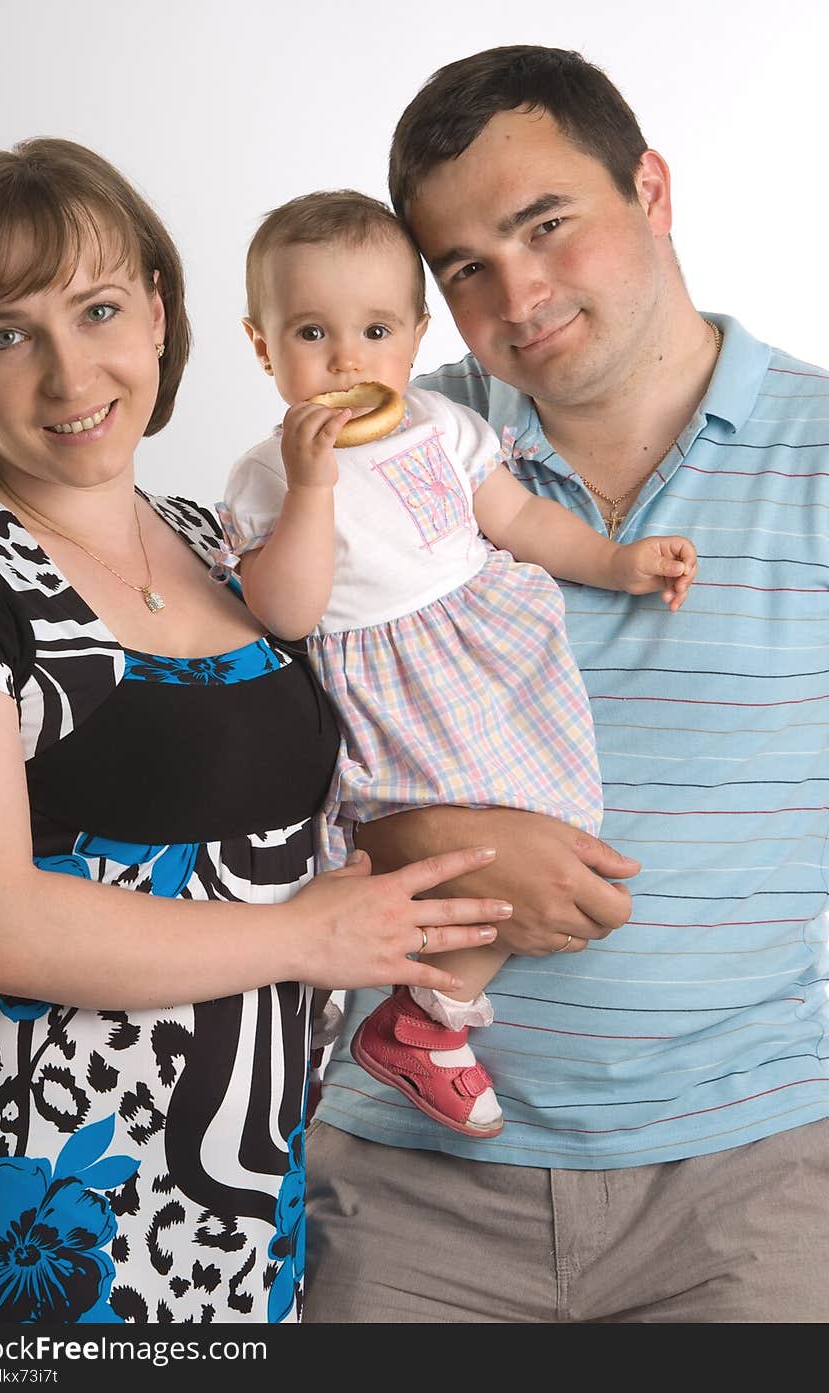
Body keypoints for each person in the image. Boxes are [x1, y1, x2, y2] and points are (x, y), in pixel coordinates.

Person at [303, 45, 829, 1323]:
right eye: (466, 266)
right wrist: (428, 845)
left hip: (753, 1183)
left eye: (546, 225)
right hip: (406, 1185)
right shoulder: (385, 455)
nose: (518, 291)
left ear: (649, 187)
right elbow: (238, 765)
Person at [0, 137, 509, 1326]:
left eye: (98, 309)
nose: (67, 372)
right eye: (4, 333)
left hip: (243, 1192)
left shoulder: (218, 537)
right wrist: (305, 935)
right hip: (39, 1200)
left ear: (157, 312)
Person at [221, 188, 696, 1139]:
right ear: (264, 347)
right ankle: (423, 1026)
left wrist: (616, 560)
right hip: (385, 687)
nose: (347, 360)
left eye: (375, 329)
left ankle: (417, 1023)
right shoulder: (270, 472)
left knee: (559, 826)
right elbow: (285, 608)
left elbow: (517, 519)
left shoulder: (444, 425)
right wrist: (312, 486)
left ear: (414, 336)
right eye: (312, 333)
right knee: (459, 856)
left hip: (483, 658)